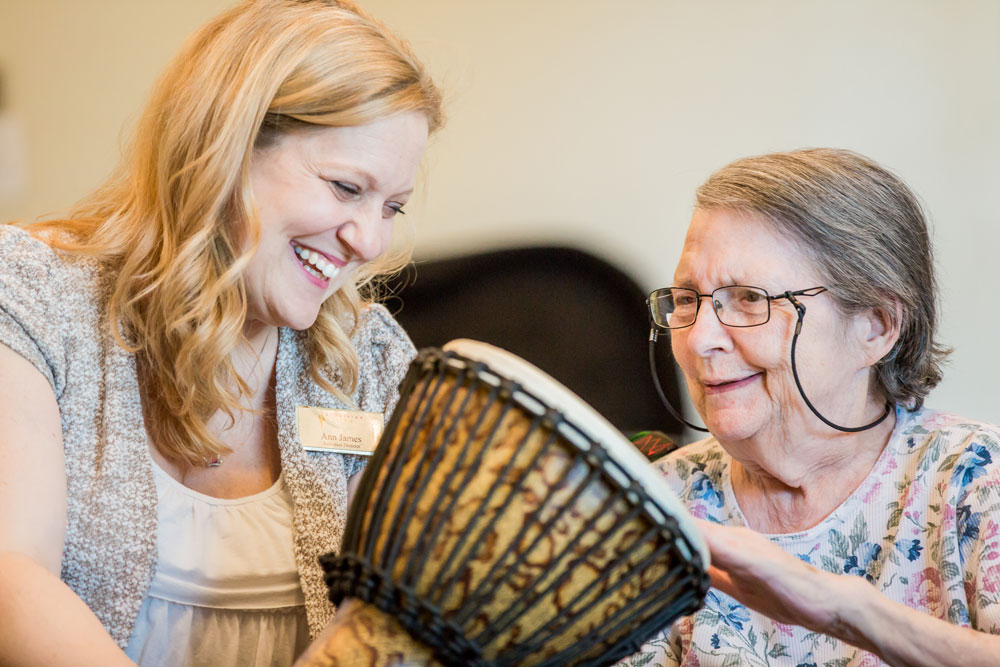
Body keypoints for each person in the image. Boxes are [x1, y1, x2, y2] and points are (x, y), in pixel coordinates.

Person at [0, 1, 442, 665]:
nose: (370, 240)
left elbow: (395, 621)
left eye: (392, 207)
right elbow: (11, 576)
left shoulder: (371, 358)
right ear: (227, 147)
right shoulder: (32, 293)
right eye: (346, 187)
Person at [620, 148, 1000, 666]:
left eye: (750, 298)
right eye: (688, 300)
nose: (701, 338)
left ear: (876, 326)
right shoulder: (652, 508)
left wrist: (849, 613)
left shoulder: (975, 481)